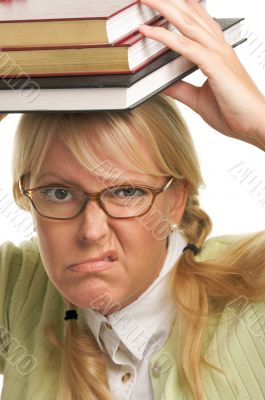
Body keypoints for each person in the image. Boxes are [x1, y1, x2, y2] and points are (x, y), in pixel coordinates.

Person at [0, 1, 264, 399]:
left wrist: (258, 123)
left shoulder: (251, 291)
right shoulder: (17, 291)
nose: (91, 231)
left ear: (176, 200)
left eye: (126, 192)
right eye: (59, 193)